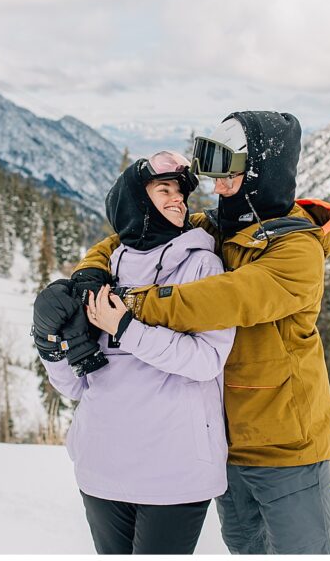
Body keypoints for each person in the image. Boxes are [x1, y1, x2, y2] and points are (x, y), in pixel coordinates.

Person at [63, 111, 330, 554]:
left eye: (228, 173)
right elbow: (131, 234)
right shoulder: (216, 229)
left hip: (285, 444)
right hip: (225, 441)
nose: (217, 186)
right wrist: (88, 276)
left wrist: (130, 307)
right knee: (246, 549)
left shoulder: (297, 251)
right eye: (213, 173)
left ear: (259, 172)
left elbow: (226, 297)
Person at [32, 151, 235, 555]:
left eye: (180, 192)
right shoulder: (102, 275)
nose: (178, 199)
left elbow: (206, 360)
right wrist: (47, 343)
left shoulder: (202, 268)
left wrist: (125, 328)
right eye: (165, 190)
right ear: (135, 202)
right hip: (102, 467)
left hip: (175, 472)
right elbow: (76, 385)